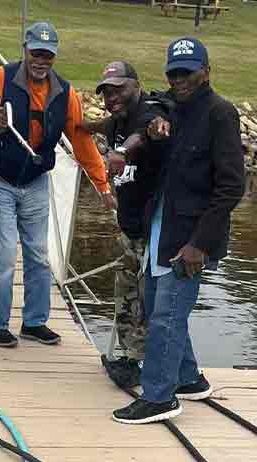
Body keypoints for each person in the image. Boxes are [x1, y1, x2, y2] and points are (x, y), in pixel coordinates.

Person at [112, 37, 245, 425]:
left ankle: (159, 397)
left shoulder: (221, 113)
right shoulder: (170, 109)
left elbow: (232, 186)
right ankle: (187, 378)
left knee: (167, 316)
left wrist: (199, 244)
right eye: (174, 72)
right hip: (160, 229)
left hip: (189, 240)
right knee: (157, 308)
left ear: (206, 71)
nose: (180, 79)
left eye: (188, 71)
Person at [0, 21, 114, 348]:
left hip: (36, 180)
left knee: (38, 254)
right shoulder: (1, 78)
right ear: (25, 50)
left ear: (54, 57)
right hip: (0, 179)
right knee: (7, 255)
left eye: (47, 55)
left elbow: (82, 142)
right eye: (36, 53)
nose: (41, 60)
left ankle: (34, 322)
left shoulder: (64, 93)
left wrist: (103, 186)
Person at [96, 60, 167, 390]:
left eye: (119, 89)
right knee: (125, 294)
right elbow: (97, 130)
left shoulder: (149, 114)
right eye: (107, 92)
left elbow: (148, 131)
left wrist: (122, 150)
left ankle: (155, 364)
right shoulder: (115, 123)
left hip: (155, 230)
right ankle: (129, 358)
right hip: (129, 227)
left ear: (136, 86)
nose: (113, 98)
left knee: (149, 298)